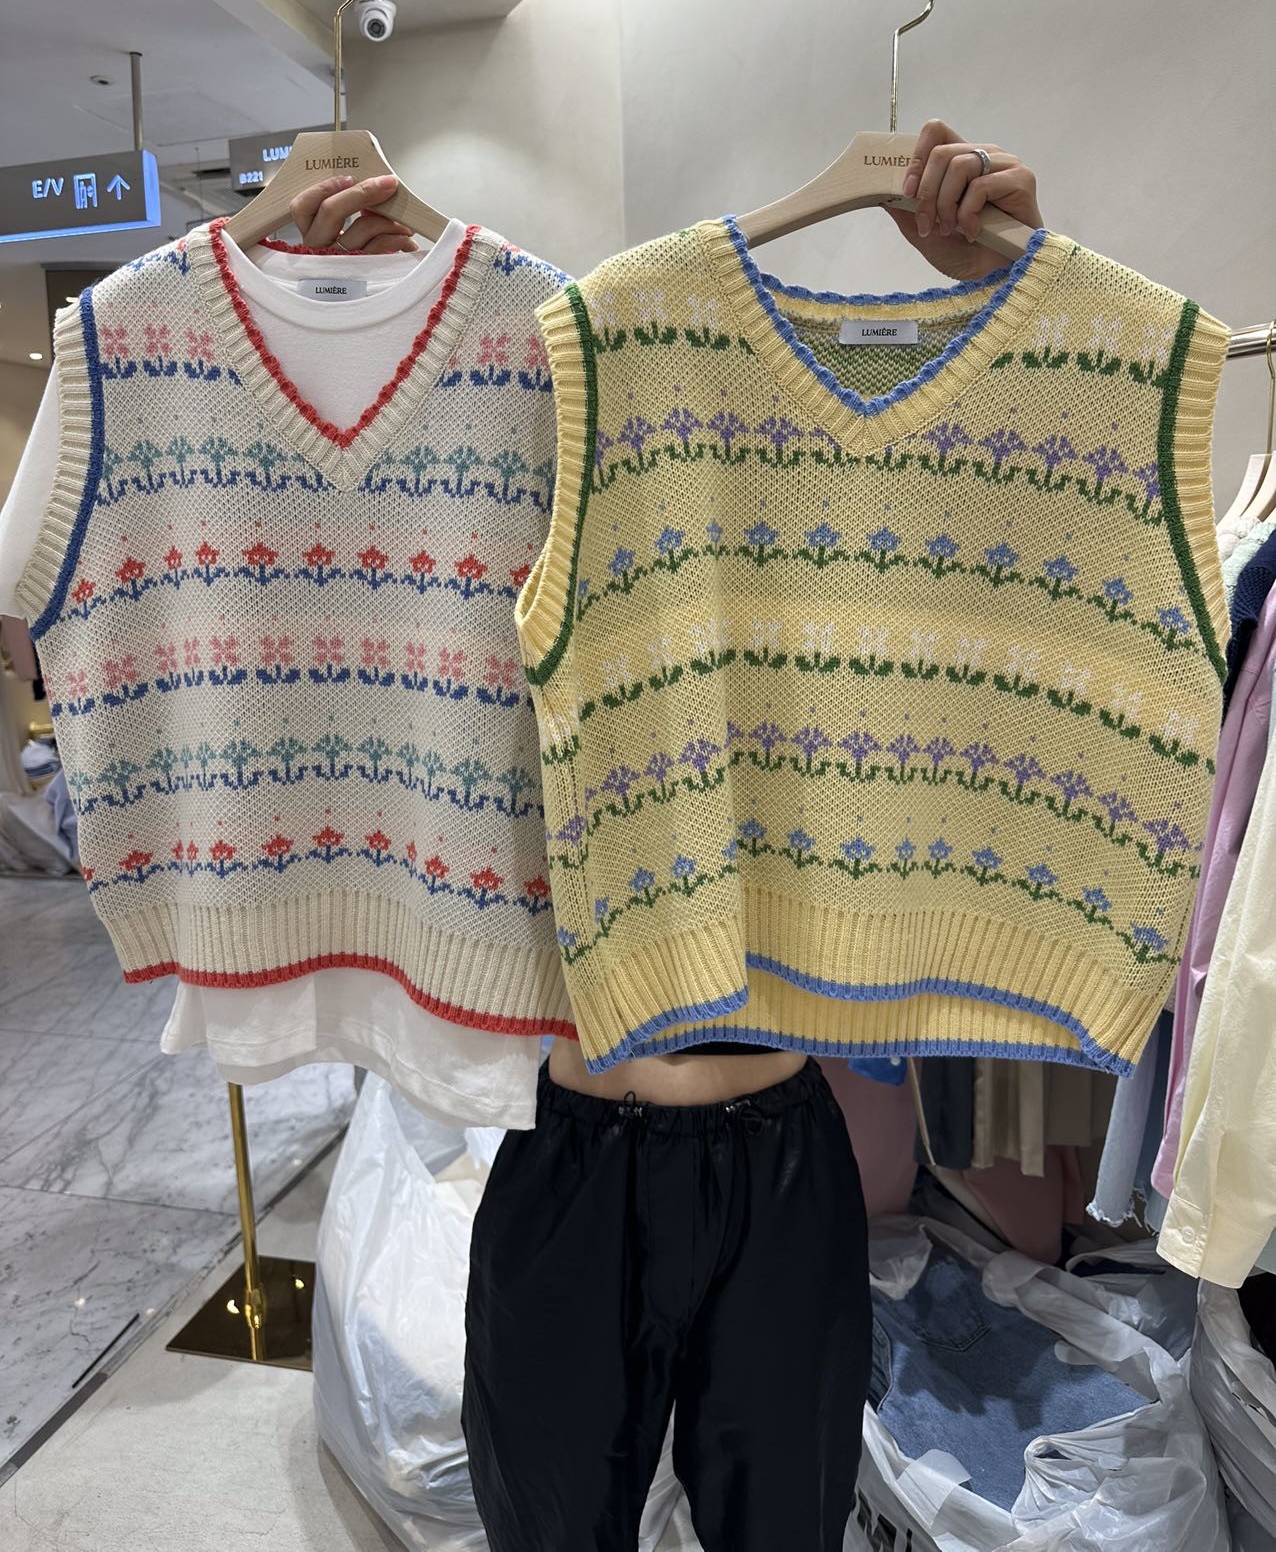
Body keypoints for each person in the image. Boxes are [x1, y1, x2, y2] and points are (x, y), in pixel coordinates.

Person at [289, 121, 1045, 1552]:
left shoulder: (844, 529)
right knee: (548, 1525)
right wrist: (385, 302)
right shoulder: (577, 404)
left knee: (784, 1528)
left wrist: (994, 297)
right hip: (570, 1139)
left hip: (783, 1146)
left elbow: (1001, 546)